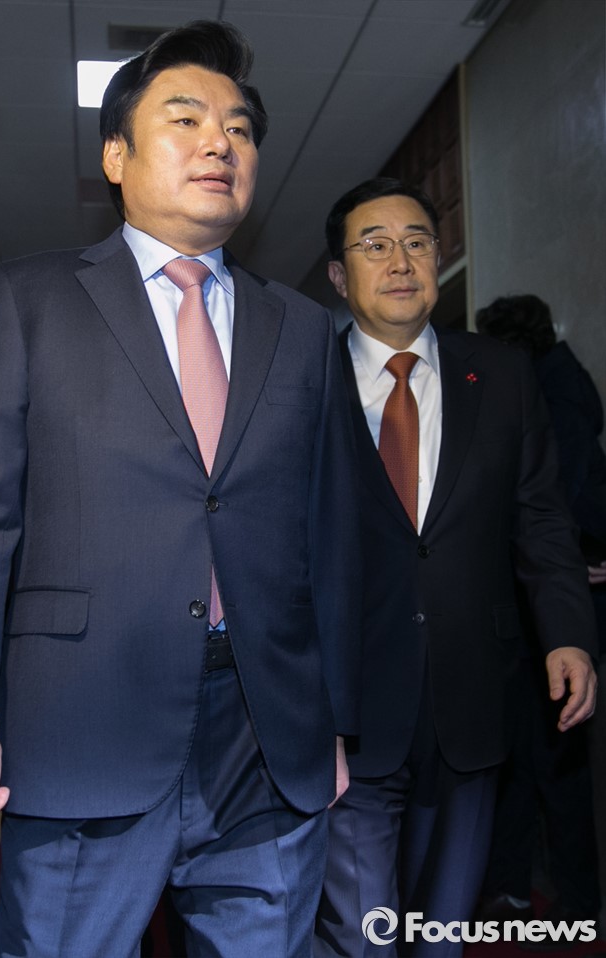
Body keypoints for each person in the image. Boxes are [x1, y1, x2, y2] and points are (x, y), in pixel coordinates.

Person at [0, 21, 361, 958]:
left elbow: (331, 536)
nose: (219, 143)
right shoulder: (31, 299)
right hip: (84, 722)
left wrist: (334, 719)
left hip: (266, 737)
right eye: (186, 119)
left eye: (239, 129)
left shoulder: (301, 328)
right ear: (115, 156)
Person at [314, 177, 597, 958]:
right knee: (360, 932)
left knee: (440, 930)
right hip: (347, 707)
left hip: (473, 697)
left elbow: (542, 518)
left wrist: (568, 634)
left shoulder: (502, 375)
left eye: (417, 242)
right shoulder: (302, 383)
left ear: (438, 260)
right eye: (375, 245)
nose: (400, 261)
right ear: (338, 274)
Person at [475, 294, 605, 929]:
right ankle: (520, 891)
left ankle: (577, 906)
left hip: (554, 610)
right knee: (529, 758)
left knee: (556, 764)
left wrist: (578, 557)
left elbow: (561, 499)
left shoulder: (552, 394)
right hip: (536, 609)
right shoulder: (557, 383)